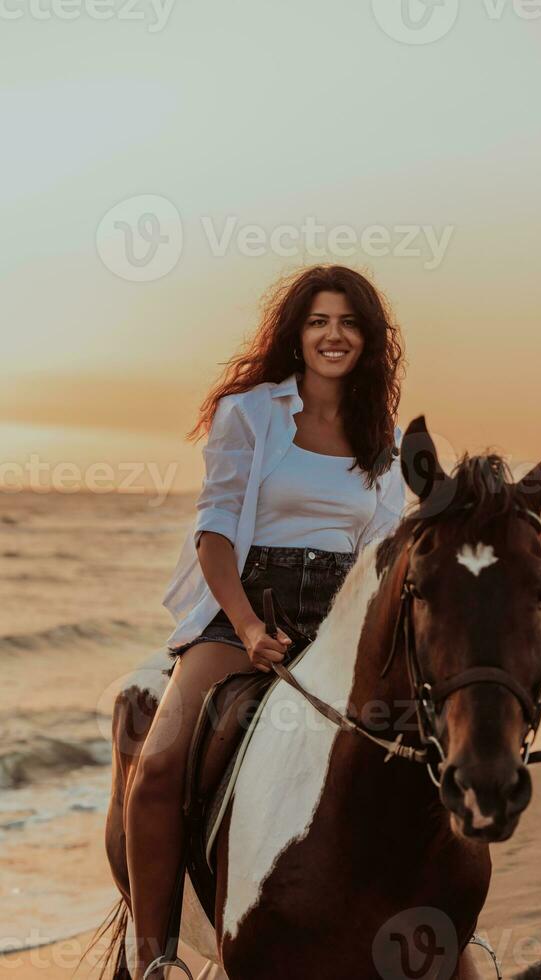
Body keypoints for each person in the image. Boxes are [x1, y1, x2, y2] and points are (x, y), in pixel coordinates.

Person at [125, 264, 408, 979]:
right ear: (296, 333)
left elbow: (384, 553)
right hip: (246, 608)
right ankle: (155, 956)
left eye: (348, 322)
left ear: (369, 339)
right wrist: (249, 627)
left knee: (422, 765)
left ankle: (452, 935)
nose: (333, 335)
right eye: (318, 321)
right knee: (158, 766)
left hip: (344, 625)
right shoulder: (250, 413)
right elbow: (215, 532)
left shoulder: (386, 439)